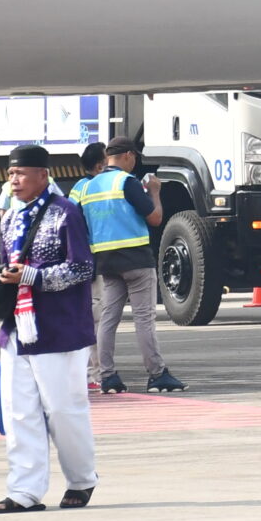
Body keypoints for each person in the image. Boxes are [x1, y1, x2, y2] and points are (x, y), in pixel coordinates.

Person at [0, 144, 98, 513]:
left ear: (43, 175)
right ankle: (24, 490)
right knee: (19, 412)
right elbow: (7, 265)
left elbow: (82, 268)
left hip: (59, 328)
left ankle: (81, 479)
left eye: (20, 174)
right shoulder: (9, 219)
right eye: (10, 174)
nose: (13, 181)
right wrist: (7, 277)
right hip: (17, 328)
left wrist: (33, 276)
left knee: (63, 410)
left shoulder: (66, 213)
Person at [75, 137, 182, 394]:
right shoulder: (126, 182)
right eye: (134, 157)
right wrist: (154, 191)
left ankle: (108, 376)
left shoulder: (88, 187)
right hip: (136, 259)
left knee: (108, 319)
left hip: (105, 261)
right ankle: (157, 374)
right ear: (127, 155)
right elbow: (155, 218)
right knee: (144, 319)